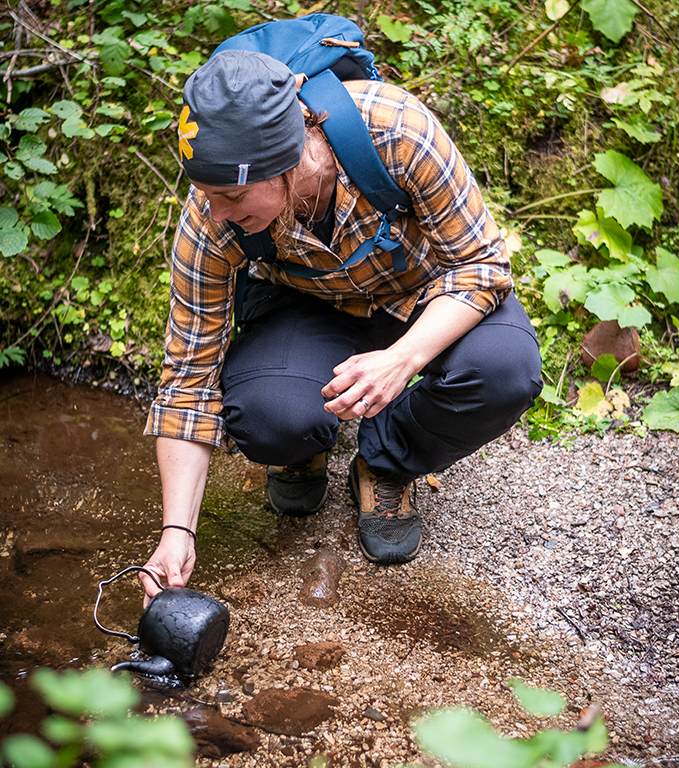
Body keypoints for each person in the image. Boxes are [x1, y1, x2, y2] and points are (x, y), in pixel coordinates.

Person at [139, 50, 543, 600]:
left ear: (289, 159)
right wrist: (177, 532)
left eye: (232, 197)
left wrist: (403, 360)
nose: (216, 214)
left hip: (420, 298)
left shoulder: (398, 133)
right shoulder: (211, 215)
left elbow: (483, 264)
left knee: (504, 372)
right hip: (307, 310)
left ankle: (385, 459)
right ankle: (303, 443)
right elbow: (189, 375)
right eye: (208, 196)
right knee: (269, 419)